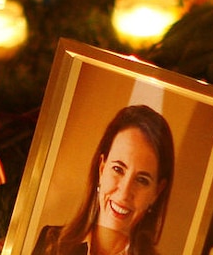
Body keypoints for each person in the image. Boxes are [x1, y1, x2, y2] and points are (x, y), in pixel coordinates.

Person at [33, 105, 175, 255]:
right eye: (118, 169)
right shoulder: (51, 242)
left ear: (157, 191)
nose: (124, 193)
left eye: (142, 180)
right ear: (102, 169)